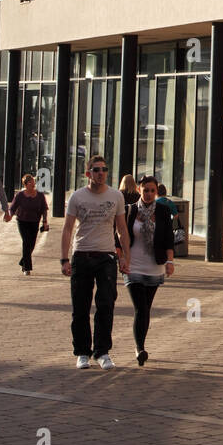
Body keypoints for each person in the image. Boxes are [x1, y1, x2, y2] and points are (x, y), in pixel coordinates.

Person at [59, 155, 130, 370]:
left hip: (106, 256)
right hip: (82, 255)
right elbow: (68, 228)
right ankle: (82, 352)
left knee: (106, 304)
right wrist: (64, 259)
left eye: (104, 169)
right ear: (88, 173)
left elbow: (122, 229)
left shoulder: (116, 196)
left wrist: (125, 256)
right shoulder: (77, 197)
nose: (101, 173)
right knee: (80, 307)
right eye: (96, 169)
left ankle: (102, 352)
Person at [119, 175, 175, 366]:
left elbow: (168, 238)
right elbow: (120, 236)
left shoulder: (163, 211)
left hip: (154, 266)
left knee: (146, 309)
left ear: (156, 192)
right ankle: (140, 348)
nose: (149, 194)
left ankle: (140, 345)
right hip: (133, 264)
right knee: (140, 307)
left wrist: (170, 261)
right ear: (139, 190)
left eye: (152, 190)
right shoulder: (130, 211)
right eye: (146, 190)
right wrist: (121, 258)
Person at [8, 174, 49, 275]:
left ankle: (23, 261)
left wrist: (44, 221)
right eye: (30, 182)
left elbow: (44, 209)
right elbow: (12, 208)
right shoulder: (20, 195)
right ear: (26, 184)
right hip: (22, 221)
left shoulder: (40, 195)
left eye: (33, 181)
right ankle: (27, 268)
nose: (33, 183)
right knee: (26, 242)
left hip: (34, 221)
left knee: (32, 244)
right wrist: (9, 216)